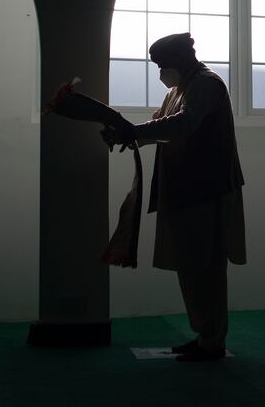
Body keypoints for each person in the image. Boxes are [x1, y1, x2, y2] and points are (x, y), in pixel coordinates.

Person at [102, 32, 246, 362]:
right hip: (186, 191)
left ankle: (212, 340)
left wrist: (134, 133)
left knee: (206, 268)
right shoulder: (178, 90)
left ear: (179, 60)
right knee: (191, 267)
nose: (160, 72)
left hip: (207, 190)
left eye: (161, 65)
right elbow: (159, 126)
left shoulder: (206, 85)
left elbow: (182, 125)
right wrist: (126, 133)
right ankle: (204, 336)